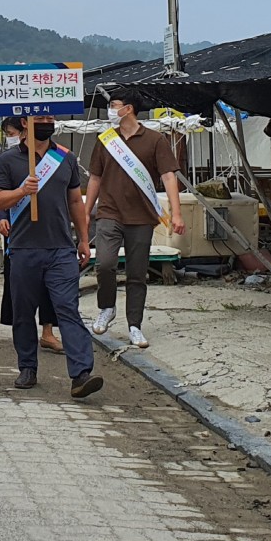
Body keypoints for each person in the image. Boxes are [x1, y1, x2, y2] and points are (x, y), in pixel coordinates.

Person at [0, 115, 104, 399]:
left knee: (67, 308)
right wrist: (21, 191)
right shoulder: (8, 160)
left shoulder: (64, 158)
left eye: (49, 117)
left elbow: (75, 200)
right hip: (23, 248)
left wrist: (83, 239)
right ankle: (27, 367)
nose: (46, 122)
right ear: (26, 123)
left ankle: (81, 373)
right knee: (23, 312)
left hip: (61, 249)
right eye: (40, 117)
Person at [87, 89, 185, 348]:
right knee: (105, 264)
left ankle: (134, 325)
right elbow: (95, 177)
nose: (110, 110)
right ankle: (107, 307)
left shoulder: (155, 140)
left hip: (142, 216)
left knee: (137, 273)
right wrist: (86, 211)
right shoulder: (106, 140)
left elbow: (168, 177)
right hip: (109, 212)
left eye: (114, 105)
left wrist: (176, 213)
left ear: (128, 108)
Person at [0, 116, 63, 354]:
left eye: (11, 131)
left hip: (51, 234)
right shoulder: (9, 158)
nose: (12, 136)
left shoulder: (59, 157)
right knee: (19, 287)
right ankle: (23, 333)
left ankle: (48, 331)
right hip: (19, 230)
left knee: (49, 285)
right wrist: (1, 216)